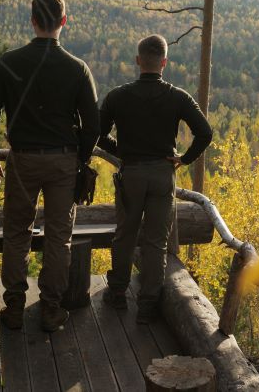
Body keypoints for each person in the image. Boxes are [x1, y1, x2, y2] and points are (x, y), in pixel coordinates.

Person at [0, 0, 99, 332]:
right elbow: (93, 125)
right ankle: (50, 308)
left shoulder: (9, 62)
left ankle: (14, 307)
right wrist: (80, 159)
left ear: (32, 21)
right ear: (64, 21)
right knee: (59, 236)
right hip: (63, 162)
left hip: (22, 161)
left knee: (17, 232)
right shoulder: (77, 68)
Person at [98, 34, 213, 323]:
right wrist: (184, 158)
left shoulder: (117, 96)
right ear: (164, 62)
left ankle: (117, 293)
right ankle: (148, 305)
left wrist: (121, 150)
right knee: (156, 241)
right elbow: (205, 132)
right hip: (162, 176)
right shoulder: (178, 97)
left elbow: (97, 134)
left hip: (131, 174)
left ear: (138, 60)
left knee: (124, 235)